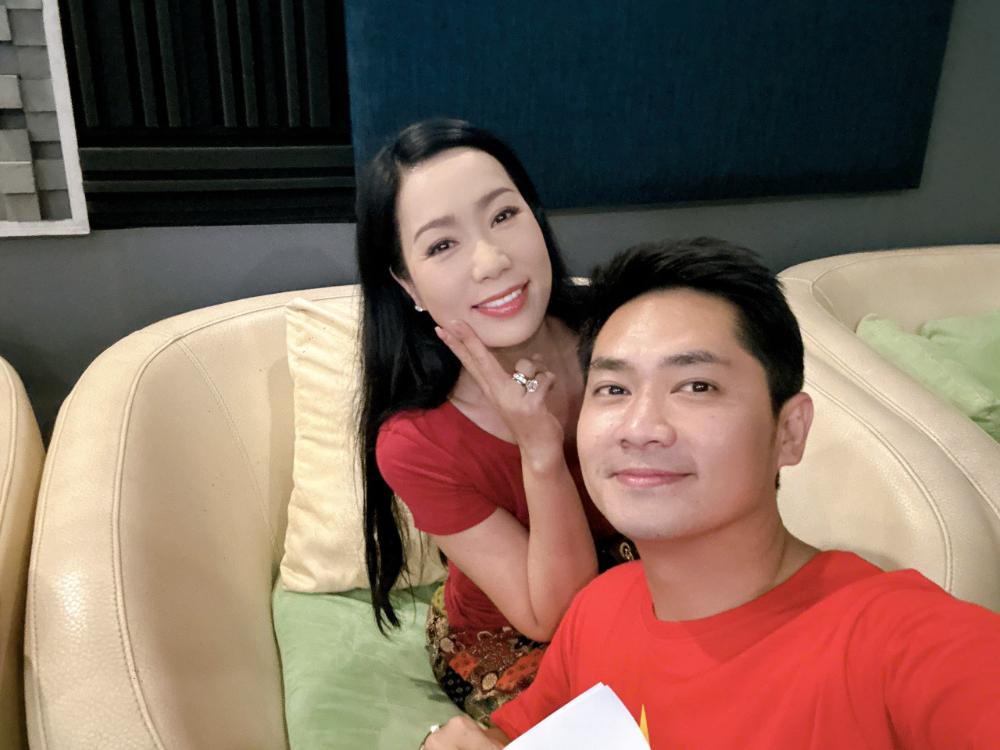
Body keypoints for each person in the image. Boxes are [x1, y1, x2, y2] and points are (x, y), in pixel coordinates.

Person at [423, 237, 1000, 749]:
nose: (640, 427)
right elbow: (517, 735)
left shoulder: (894, 641)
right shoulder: (598, 612)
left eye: (697, 386)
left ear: (789, 431)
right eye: (614, 388)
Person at [356, 119, 628, 720]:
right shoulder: (416, 441)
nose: (491, 260)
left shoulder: (624, 328)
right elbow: (552, 615)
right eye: (441, 245)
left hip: (639, 579)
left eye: (504, 215)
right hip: (513, 637)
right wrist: (540, 451)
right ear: (408, 285)